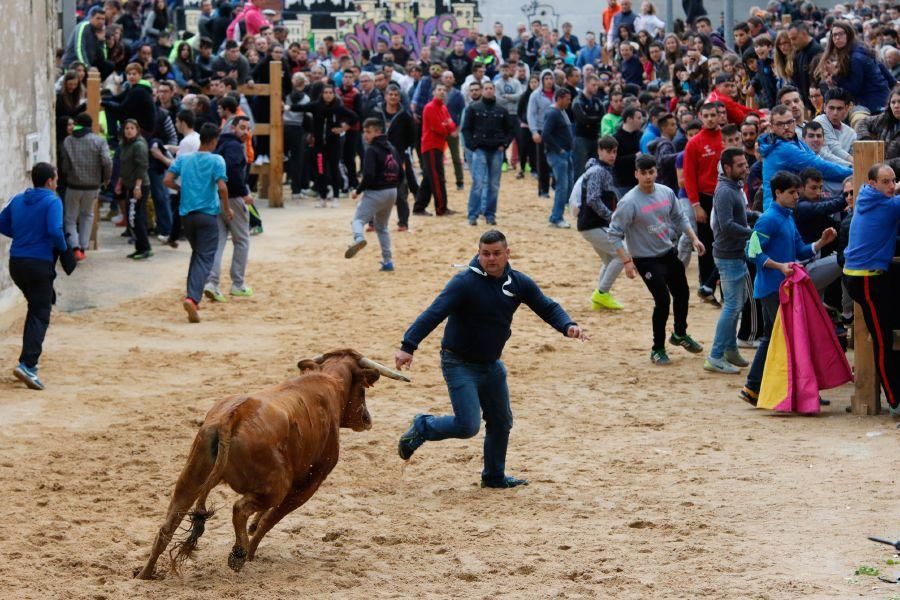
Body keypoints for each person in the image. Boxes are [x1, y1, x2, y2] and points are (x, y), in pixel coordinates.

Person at [394, 229, 588, 488]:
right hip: (458, 363)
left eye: (497, 253)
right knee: (467, 426)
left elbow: (546, 305)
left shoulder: (518, 282)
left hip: (491, 365)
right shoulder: (464, 283)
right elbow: (434, 313)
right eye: (485, 254)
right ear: (479, 254)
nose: (491, 259)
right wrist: (409, 345)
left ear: (507, 254)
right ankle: (422, 426)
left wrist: (567, 325)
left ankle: (494, 477)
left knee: (501, 421)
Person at [741, 171, 837, 405]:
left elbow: (799, 251)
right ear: (778, 193)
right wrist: (779, 266)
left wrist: (820, 243)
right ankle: (783, 390)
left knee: (775, 338)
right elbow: (751, 252)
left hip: (783, 288)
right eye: (792, 193)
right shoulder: (769, 219)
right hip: (773, 288)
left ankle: (755, 388)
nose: (797, 196)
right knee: (784, 338)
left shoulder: (787, 216)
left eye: (797, 192)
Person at [609, 155, 706, 365]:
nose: (648, 177)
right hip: (645, 260)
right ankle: (657, 349)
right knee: (663, 300)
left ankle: (680, 334)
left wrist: (694, 239)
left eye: (651, 172)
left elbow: (680, 217)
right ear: (636, 174)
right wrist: (627, 262)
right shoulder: (628, 202)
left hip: (667, 252)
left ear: (656, 172)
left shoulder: (666, 192)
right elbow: (614, 233)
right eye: (643, 173)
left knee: (683, 293)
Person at [0, 163, 70, 390]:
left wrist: (22, 234)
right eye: (56, 178)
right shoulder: (53, 201)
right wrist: (64, 250)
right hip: (39, 263)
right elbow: (54, 230)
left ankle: (28, 362)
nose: (57, 182)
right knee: (40, 311)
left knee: (38, 303)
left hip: (17, 263)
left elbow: (2, 222)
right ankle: (28, 365)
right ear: (50, 181)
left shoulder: (18, 199)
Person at [842, 163, 900, 410]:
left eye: (893, 181)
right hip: (866, 279)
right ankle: (895, 399)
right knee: (882, 341)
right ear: (872, 183)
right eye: (885, 182)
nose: (891, 186)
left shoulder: (870, 198)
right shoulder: (887, 206)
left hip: (869, 277)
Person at [163, 123, 231, 324]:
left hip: (187, 214)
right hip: (207, 215)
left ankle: (192, 296)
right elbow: (222, 188)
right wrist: (227, 209)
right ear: (213, 141)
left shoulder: (184, 159)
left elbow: (167, 180)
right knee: (205, 257)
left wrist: (181, 189)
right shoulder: (216, 160)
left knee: (198, 254)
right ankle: (192, 298)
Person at [705, 148, 753, 374]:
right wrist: (751, 232)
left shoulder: (733, 187)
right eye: (740, 165)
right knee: (732, 306)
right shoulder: (725, 191)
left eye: (745, 164)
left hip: (734, 254)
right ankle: (715, 355)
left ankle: (730, 349)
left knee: (737, 304)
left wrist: (755, 217)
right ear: (727, 168)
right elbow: (726, 225)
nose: (745, 168)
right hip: (728, 256)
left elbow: (739, 215)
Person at [759, 104, 852, 211]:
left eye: (789, 122)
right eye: (780, 124)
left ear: (794, 122)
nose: (786, 127)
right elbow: (819, 167)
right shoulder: (782, 149)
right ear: (771, 127)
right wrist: (854, 173)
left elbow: (819, 162)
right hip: (779, 210)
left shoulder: (796, 142)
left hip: (791, 205)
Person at [204, 116, 253, 302]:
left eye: (247, 129)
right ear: (233, 128)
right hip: (232, 197)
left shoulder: (219, 145)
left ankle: (212, 283)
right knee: (242, 240)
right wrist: (243, 192)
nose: (245, 132)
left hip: (215, 197)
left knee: (218, 242)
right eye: (242, 127)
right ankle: (238, 284)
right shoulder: (233, 147)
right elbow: (231, 170)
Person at [345, 118, 402, 271]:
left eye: (368, 132)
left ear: (377, 132)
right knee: (382, 227)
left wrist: (357, 190)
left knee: (357, 221)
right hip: (392, 192)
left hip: (377, 192)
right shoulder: (392, 148)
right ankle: (388, 261)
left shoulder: (371, 149)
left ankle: (358, 238)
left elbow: (368, 175)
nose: (365, 135)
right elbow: (401, 171)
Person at [576, 136, 626, 310]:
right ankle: (602, 293)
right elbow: (593, 199)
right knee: (622, 254)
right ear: (599, 151)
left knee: (610, 258)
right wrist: (611, 216)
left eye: (614, 151)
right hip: (593, 223)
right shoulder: (598, 171)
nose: (612, 155)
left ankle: (600, 298)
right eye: (608, 151)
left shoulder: (602, 169)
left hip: (593, 224)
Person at [683, 102, 723, 302]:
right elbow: (688, 178)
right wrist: (696, 205)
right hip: (705, 199)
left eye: (713, 115)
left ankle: (725, 290)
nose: (709, 119)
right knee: (706, 245)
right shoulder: (694, 143)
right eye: (706, 115)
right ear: (700, 116)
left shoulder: (727, 137)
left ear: (719, 115)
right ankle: (705, 286)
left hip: (725, 196)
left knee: (726, 243)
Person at [462, 81, 517, 226]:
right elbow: (466, 129)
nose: (488, 91)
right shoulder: (474, 109)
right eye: (486, 88)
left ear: (494, 90)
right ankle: (473, 214)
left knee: (494, 185)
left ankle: (490, 214)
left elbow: (510, 130)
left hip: (496, 151)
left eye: (491, 88)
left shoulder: (501, 110)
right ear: (482, 91)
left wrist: (504, 144)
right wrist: (472, 146)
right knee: (478, 183)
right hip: (479, 150)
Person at [59, 113, 111, 261]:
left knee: (70, 218)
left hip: (73, 185)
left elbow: (65, 166)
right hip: (93, 185)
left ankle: (74, 248)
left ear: (77, 124)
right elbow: (107, 161)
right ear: (90, 125)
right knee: (87, 215)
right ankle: (83, 247)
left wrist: (70, 175)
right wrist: (106, 179)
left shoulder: (68, 141)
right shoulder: (99, 140)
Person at [372, 84, 416, 231]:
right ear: (385, 96)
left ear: (399, 97)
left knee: (401, 190)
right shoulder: (376, 112)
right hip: (378, 155)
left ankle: (403, 223)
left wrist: (402, 151)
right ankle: (372, 223)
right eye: (390, 94)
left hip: (398, 156)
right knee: (375, 189)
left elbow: (412, 136)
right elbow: (369, 130)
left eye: (396, 95)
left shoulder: (405, 115)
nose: (393, 97)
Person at [413, 83, 457, 216]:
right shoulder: (429, 107)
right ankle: (441, 208)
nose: (442, 92)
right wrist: (446, 125)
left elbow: (452, 125)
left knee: (429, 177)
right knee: (437, 178)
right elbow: (438, 127)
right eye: (439, 89)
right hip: (430, 146)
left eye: (444, 89)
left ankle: (419, 207)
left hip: (438, 145)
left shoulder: (443, 107)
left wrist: (446, 125)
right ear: (433, 92)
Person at [119, 119, 152, 260]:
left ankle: (145, 248)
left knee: (135, 217)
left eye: (132, 128)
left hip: (140, 186)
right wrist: (121, 182)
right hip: (130, 185)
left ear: (137, 129)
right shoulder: (126, 144)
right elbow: (125, 166)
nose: (129, 130)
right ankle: (139, 247)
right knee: (132, 216)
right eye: (126, 128)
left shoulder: (139, 145)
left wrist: (137, 187)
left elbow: (142, 166)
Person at [543, 88, 575, 228]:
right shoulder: (553, 113)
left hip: (564, 153)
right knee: (562, 186)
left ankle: (557, 215)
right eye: (568, 99)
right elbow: (546, 134)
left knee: (566, 185)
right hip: (558, 155)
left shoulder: (561, 112)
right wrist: (559, 149)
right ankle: (556, 217)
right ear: (560, 98)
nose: (569, 102)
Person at [572, 75, 605, 180]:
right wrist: (595, 120)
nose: (596, 88)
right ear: (586, 84)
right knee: (580, 171)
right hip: (582, 138)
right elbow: (583, 119)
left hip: (594, 138)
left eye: (597, 85)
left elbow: (602, 117)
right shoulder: (578, 101)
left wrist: (591, 120)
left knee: (594, 169)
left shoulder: (597, 101)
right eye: (593, 85)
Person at [813, 87, 856, 164]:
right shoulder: (819, 121)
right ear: (825, 107)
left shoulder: (851, 133)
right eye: (831, 108)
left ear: (846, 109)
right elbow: (833, 149)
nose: (835, 113)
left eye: (839, 109)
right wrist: (853, 164)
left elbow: (854, 155)